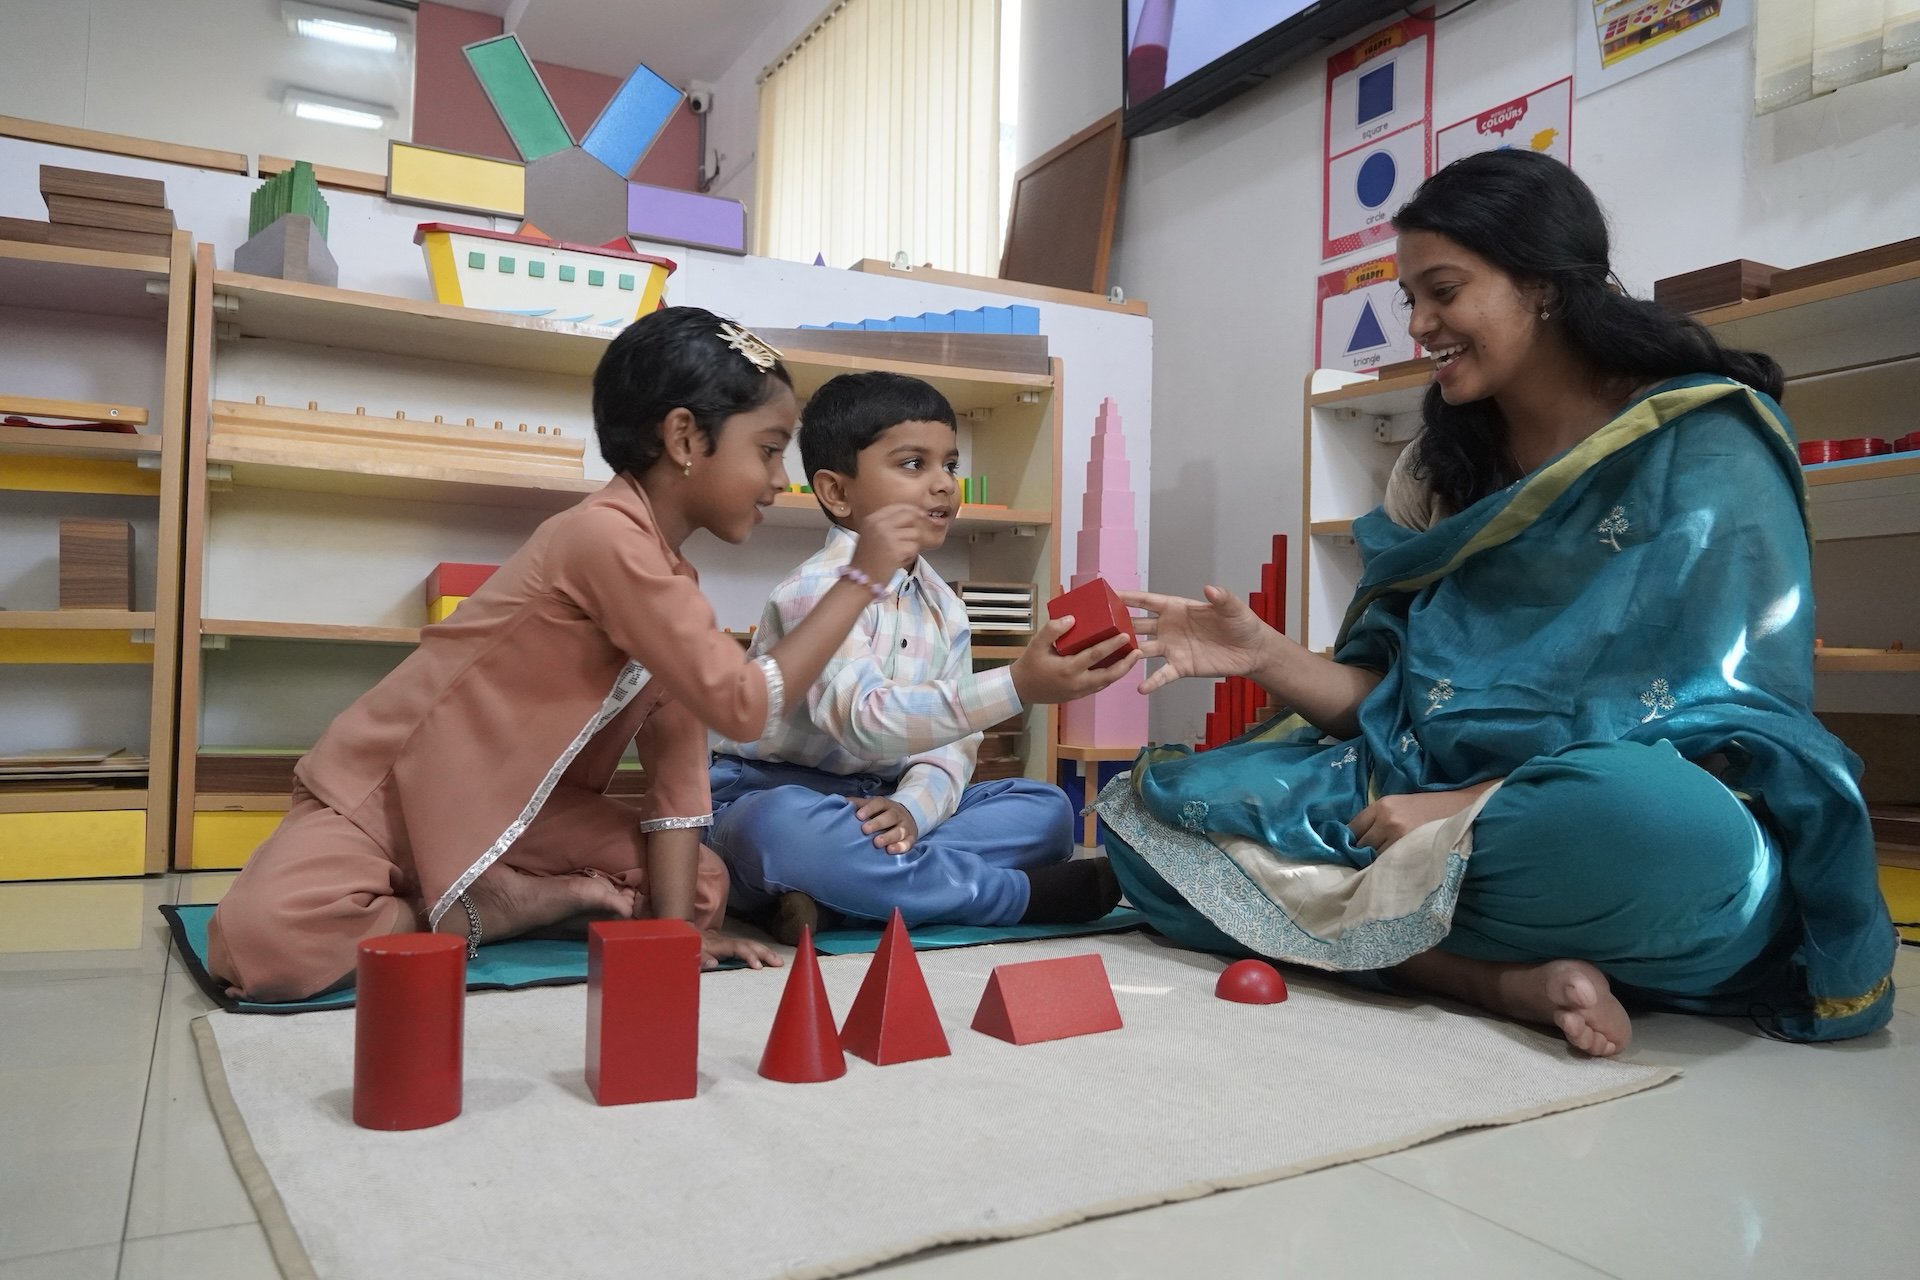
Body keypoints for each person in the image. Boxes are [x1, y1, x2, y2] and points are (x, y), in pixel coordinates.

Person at [1095, 150, 1896, 1054]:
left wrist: (1465, 808)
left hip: (1586, 830)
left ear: (1545, 284)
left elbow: (1734, 728)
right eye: (1410, 300)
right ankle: (1493, 979)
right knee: (1146, 823)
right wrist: (1265, 655)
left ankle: (1367, 929)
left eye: (1443, 291)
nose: (1421, 325)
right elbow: (1394, 708)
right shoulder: (1439, 470)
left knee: (1664, 826)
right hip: (1416, 803)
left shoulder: (1708, 443)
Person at [206, 309, 932, 1002]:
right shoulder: (601, 537)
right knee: (266, 943)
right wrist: (861, 576)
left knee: (699, 892)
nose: (781, 479)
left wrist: (676, 934)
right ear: (685, 437)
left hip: (532, 813)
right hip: (393, 795)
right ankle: (504, 906)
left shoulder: (674, 583)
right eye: (769, 449)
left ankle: (469, 897)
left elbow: (678, 781)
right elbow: (741, 706)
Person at [708, 371, 1137, 943]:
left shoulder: (944, 608)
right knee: (776, 829)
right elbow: (865, 723)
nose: (944, 485)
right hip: (769, 793)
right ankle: (1013, 896)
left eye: (950, 465)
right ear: (836, 492)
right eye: (914, 465)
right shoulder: (812, 591)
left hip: (879, 805)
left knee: (1047, 811)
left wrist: (913, 807)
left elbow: (952, 747)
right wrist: (1016, 685)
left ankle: (843, 898)